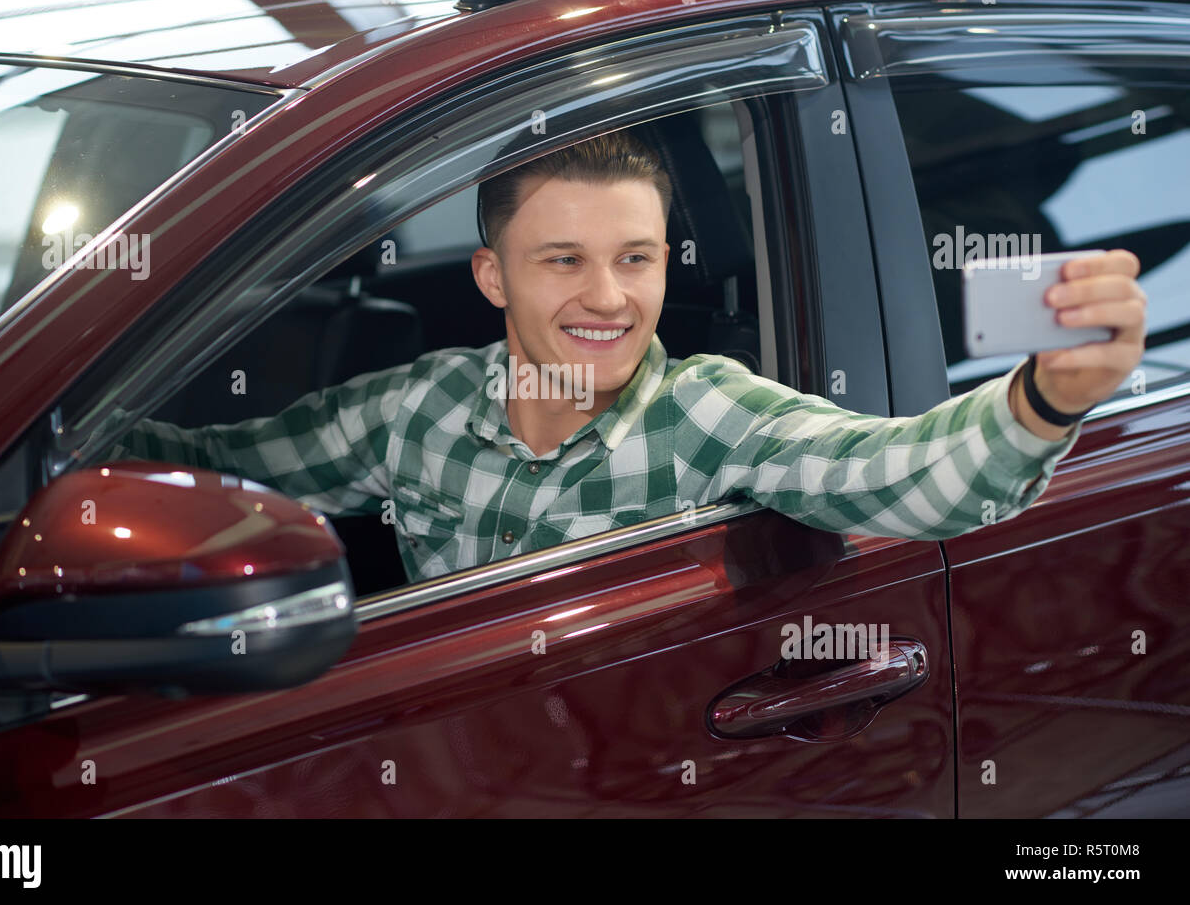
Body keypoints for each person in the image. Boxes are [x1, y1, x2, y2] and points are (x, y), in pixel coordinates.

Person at [105, 130, 1147, 583]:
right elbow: (216, 470)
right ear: (490, 278)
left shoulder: (706, 411)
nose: (609, 298)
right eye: (563, 260)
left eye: (636, 259)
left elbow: (903, 476)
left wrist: (1041, 403)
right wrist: (9, 434)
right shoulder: (415, 408)